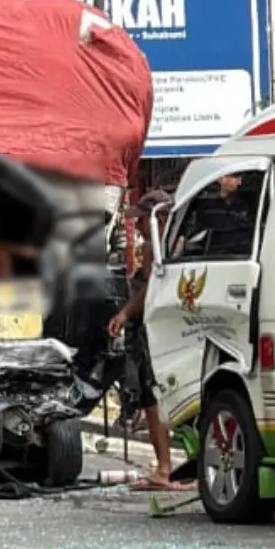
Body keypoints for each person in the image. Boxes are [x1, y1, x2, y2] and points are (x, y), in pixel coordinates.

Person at [106, 189, 194, 491]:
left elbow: (150, 289)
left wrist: (124, 314)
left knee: (152, 396)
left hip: (152, 329)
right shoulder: (176, 244)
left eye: (142, 220)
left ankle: (165, 468)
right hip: (170, 328)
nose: (140, 227)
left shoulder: (157, 248)